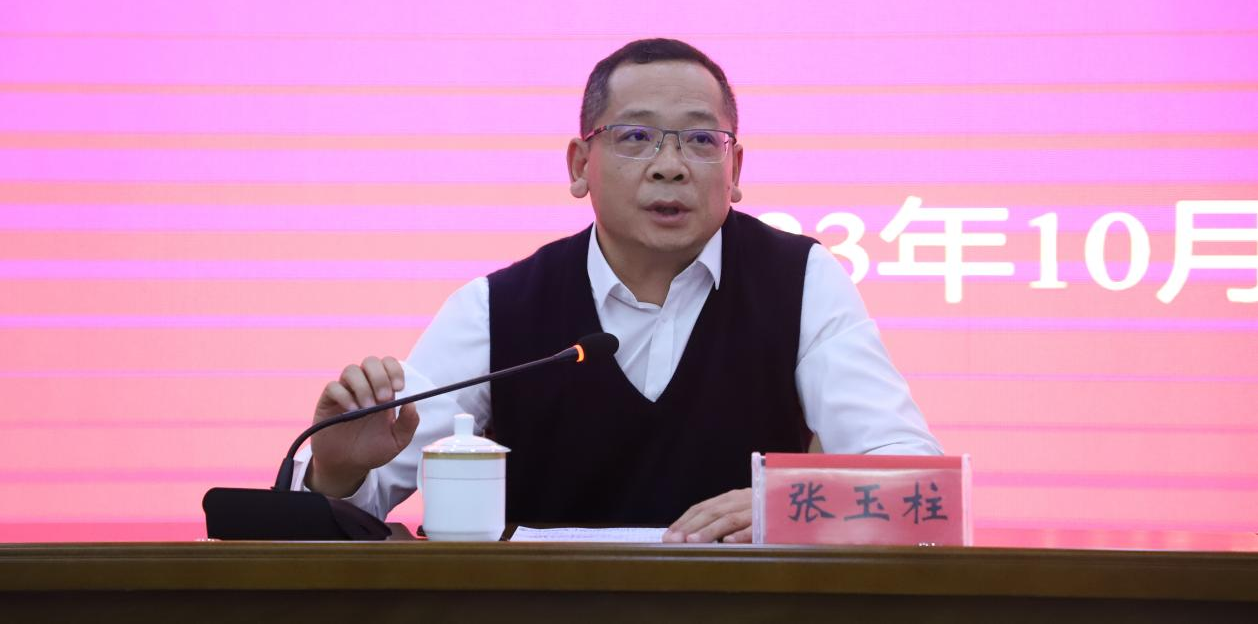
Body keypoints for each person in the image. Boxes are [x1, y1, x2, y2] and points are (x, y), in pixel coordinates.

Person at [292, 38, 941, 543]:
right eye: (635, 137)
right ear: (580, 165)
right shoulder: (499, 306)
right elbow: (345, 511)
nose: (670, 166)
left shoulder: (802, 281)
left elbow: (919, 482)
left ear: (735, 168)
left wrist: (791, 507)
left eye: (700, 140)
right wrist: (337, 471)